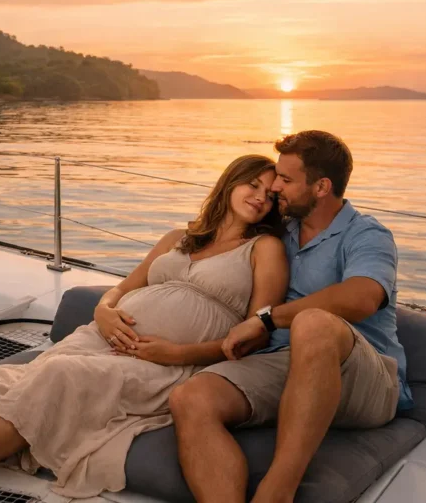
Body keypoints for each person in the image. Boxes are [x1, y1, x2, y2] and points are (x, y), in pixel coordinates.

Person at [0, 155, 289, 503]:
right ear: (230, 182)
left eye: (270, 194)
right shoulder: (178, 238)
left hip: (168, 364)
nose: (260, 196)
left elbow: (255, 332)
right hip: (103, 337)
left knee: (55, 378)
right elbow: (120, 290)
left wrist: (176, 354)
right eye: (253, 183)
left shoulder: (262, 248)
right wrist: (104, 313)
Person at [169, 130, 413, 503]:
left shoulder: (367, 234)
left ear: (321, 187)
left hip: (367, 378)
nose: (274, 187)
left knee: (313, 323)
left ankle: (276, 494)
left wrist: (266, 319)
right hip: (286, 365)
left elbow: (363, 297)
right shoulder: (281, 231)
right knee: (191, 398)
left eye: (285, 179)